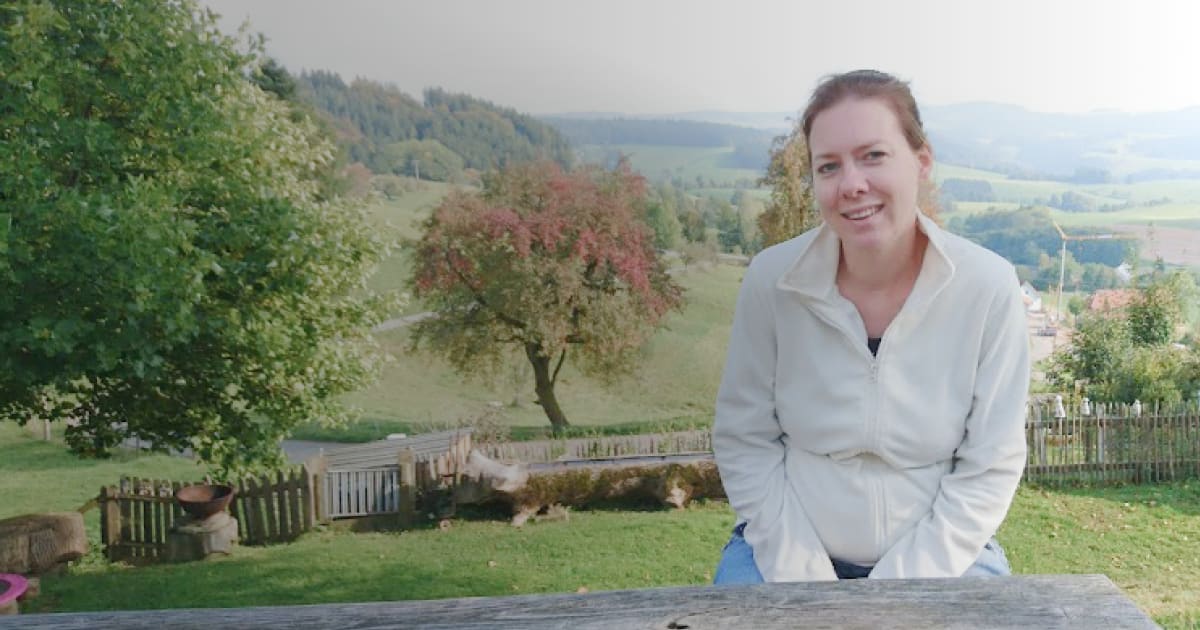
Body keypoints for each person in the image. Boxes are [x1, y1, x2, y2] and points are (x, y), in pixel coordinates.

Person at [712, 69, 1030, 583]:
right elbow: (743, 438)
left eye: (873, 155)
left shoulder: (988, 287)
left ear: (921, 161)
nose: (851, 184)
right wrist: (803, 576)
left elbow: (991, 463)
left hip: (949, 557)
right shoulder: (772, 282)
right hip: (781, 552)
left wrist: (890, 594)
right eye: (828, 166)